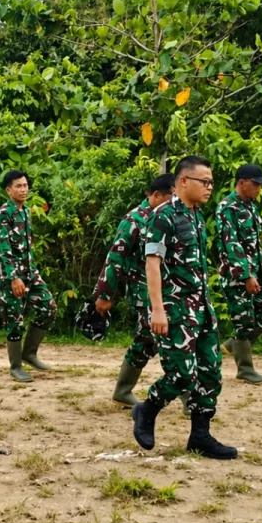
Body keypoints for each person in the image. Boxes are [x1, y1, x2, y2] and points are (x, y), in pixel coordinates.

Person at [132, 156, 237, 460]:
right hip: (175, 308)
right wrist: (157, 310)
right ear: (182, 182)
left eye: (211, 182)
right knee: (180, 374)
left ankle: (200, 436)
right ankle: (147, 409)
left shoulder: (196, 216)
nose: (209, 187)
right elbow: (152, 264)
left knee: (209, 373)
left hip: (201, 307)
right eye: (204, 181)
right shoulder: (164, 216)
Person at [94, 174, 174, 407]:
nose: (173, 203)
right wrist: (105, 294)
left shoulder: (169, 217)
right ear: (156, 195)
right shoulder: (134, 220)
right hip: (142, 292)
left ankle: (123, 390)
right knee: (160, 340)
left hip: (166, 290)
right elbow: (115, 257)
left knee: (148, 340)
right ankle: (188, 398)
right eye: (170, 198)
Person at [216, 164, 262, 384]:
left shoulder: (250, 206)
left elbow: (253, 244)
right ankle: (245, 369)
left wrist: (257, 273)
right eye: (256, 184)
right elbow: (231, 244)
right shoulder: (227, 208)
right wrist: (245, 276)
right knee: (244, 322)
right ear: (242, 182)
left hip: (257, 273)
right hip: (237, 276)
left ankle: (235, 343)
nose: (259, 189)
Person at [0, 170, 56, 383]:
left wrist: (31, 271)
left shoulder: (26, 211)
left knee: (48, 307)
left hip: (30, 272)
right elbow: (3, 248)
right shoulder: (5, 212)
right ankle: (16, 366)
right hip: (10, 276)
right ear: (8, 190)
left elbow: (27, 245)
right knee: (14, 319)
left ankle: (29, 353)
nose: (23, 189)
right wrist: (13, 277)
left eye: (25, 185)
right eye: (18, 186)